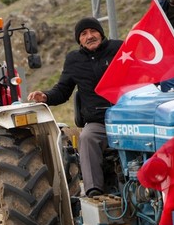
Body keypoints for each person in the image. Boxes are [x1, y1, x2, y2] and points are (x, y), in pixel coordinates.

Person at [28, 17, 123, 198]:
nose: (89, 36)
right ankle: (94, 191)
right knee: (87, 137)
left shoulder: (119, 49)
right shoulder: (74, 60)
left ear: (101, 34)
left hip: (127, 117)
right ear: (79, 40)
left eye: (93, 31)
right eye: (84, 34)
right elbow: (63, 90)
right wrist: (46, 96)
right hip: (99, 122)